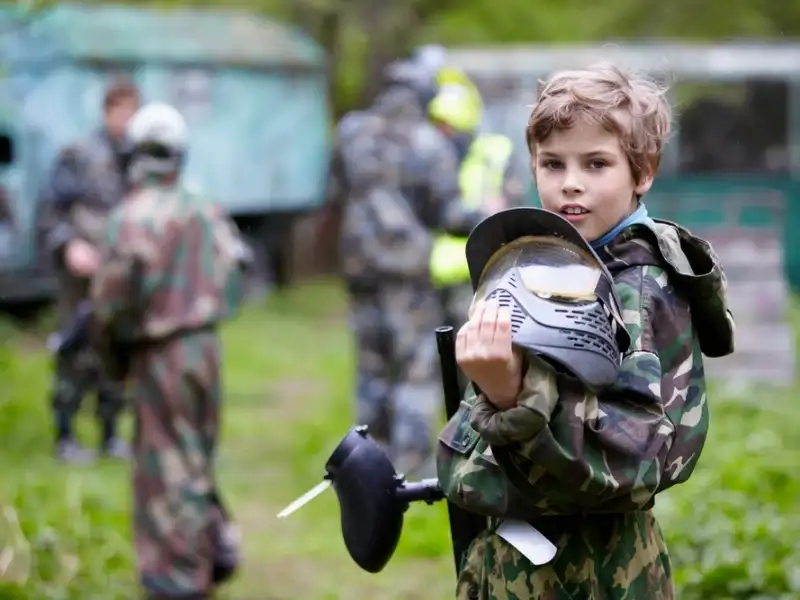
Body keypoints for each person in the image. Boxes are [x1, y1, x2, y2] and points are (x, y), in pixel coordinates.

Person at [438, 63, 736, 599]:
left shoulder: (636, 288)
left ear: (642, 172)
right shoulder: (557, 267)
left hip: (590, 572)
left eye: (596, 163)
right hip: (518, 559)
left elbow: (632, 461)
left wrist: (511, 394)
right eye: (552, 163)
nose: (570, 182)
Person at [90, 102, 249, 600]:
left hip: (159, 353)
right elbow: (235, 271)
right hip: (204, 348)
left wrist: (112, 360)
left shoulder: (130, 215)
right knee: (196, 457)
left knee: (164, 471)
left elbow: (111, 304)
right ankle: (209, 552)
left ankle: (177, 580)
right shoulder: (205, 208)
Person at [329, 58, 489, 476]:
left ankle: (368, 465)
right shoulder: (428, 143)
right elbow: (448, 213)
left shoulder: (351, 131)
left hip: (360, 268)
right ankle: (411, 468)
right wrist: (487, 219)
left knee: (371, 370)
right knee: (414, 372)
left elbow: (337, 187)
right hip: (408, 273)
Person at [38, 76, 140, 462]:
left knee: (115, 352)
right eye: (121, 110)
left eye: (133, 111)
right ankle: (65, 435)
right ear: (107, 110)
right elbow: (50, 211)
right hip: (80, 275)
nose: (127, 119)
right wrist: (69, 245)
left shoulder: (137, 160)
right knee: (74, 351)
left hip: (116, 276)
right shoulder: (79, 155)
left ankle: (110, 434)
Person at [427, 79, 526, 330]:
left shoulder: (495, 153)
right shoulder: (428, 158)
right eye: (439, 126)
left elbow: (509, 213)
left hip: (479, 275)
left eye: (449, 126)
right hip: (431, 277)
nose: (443, 133)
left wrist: (475, 215)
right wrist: (477, 213)